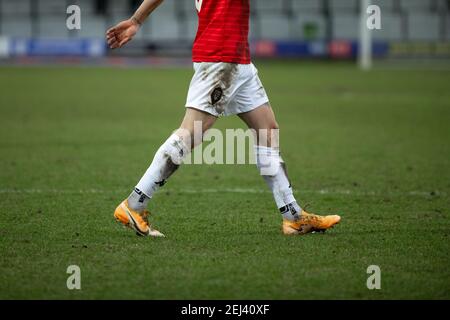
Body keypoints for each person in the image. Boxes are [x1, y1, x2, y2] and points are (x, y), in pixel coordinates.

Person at [106, 0, 340, 237]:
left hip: (237, 58)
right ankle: (134, 204)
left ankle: (293, 217)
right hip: (221, 55)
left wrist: (137, 20)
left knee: (267, 130)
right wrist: (136, 20)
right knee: (191, 132)